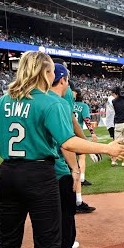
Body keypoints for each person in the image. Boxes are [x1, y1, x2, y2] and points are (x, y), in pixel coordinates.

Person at [0, 51, 124, 248]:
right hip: (39, 174)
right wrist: (106, 148)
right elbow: (68, 142)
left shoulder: (1, 101)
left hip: (7, 174)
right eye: (51, 70)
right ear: (45, 73)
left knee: (6, 243)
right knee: (48, 245)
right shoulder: (49, 102)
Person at [51, 57, 96, 214]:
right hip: (61, 147)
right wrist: (90, 145)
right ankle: (76, 202)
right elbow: (72, 122)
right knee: (71, 174)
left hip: (30, 162)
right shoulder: (66, 93)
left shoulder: (35, 94)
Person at [49, 63, 81, 248]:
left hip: (31, 171)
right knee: (66, 215)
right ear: (62, 80)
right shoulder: (57, 102)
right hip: (58, 169)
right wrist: (75, 169)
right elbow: (66, 143)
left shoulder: (35, 99)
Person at [73, 87, 97, 186]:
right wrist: (92, 132)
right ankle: (81, 178)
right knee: (82, 156)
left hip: (66, 133)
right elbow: (87, 120)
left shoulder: (68, 104)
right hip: (78, 134)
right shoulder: (83, 106)